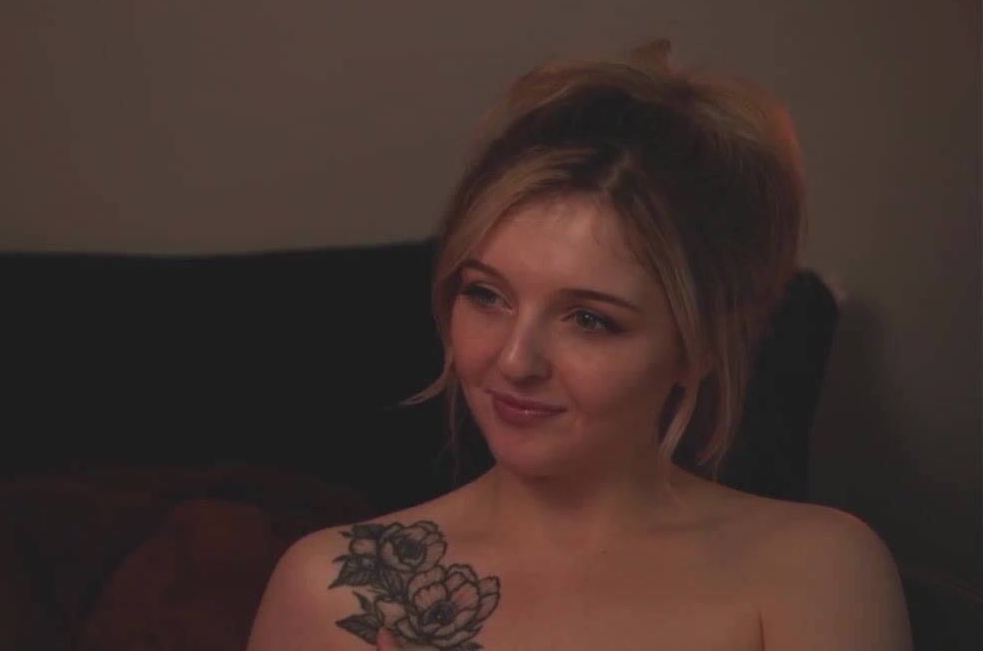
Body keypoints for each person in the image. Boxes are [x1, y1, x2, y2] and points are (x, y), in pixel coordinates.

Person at [245, 39, 913, 651]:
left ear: (701, 346)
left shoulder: (817, 566)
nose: (515, 360)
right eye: (487, 295)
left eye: (589, 319)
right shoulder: (333, 588)